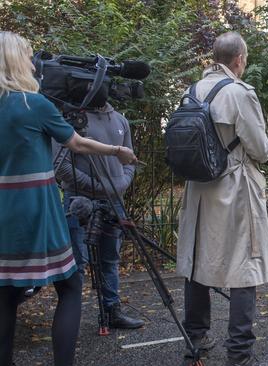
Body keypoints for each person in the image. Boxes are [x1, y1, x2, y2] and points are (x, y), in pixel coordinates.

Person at [0, 31, 137, 366]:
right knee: (70, 287)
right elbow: (78, 144)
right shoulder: (34, 105)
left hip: (3, 211)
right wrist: (118, 150)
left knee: (5, 294)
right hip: (36, 208)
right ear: (20, 62)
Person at [175, 32, 268, 366]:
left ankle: (196, 338)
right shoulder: (239, 93)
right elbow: (260, 149)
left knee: (196, 264)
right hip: (234, 189)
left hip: (198, 190)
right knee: (244, 267)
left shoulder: (191, 91)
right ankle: (239, 352)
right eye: (245, 60)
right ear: (238, 60)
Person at [53, 102, 144, 329]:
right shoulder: (70, 118)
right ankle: (69, 318)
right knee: (76, 262)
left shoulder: (120, 120)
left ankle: (112, 312)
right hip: (78, 201)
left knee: (110, 258)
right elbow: (61, 167)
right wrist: (99, 186)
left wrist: (119, 184)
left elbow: (130, 159)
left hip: (115, 201)